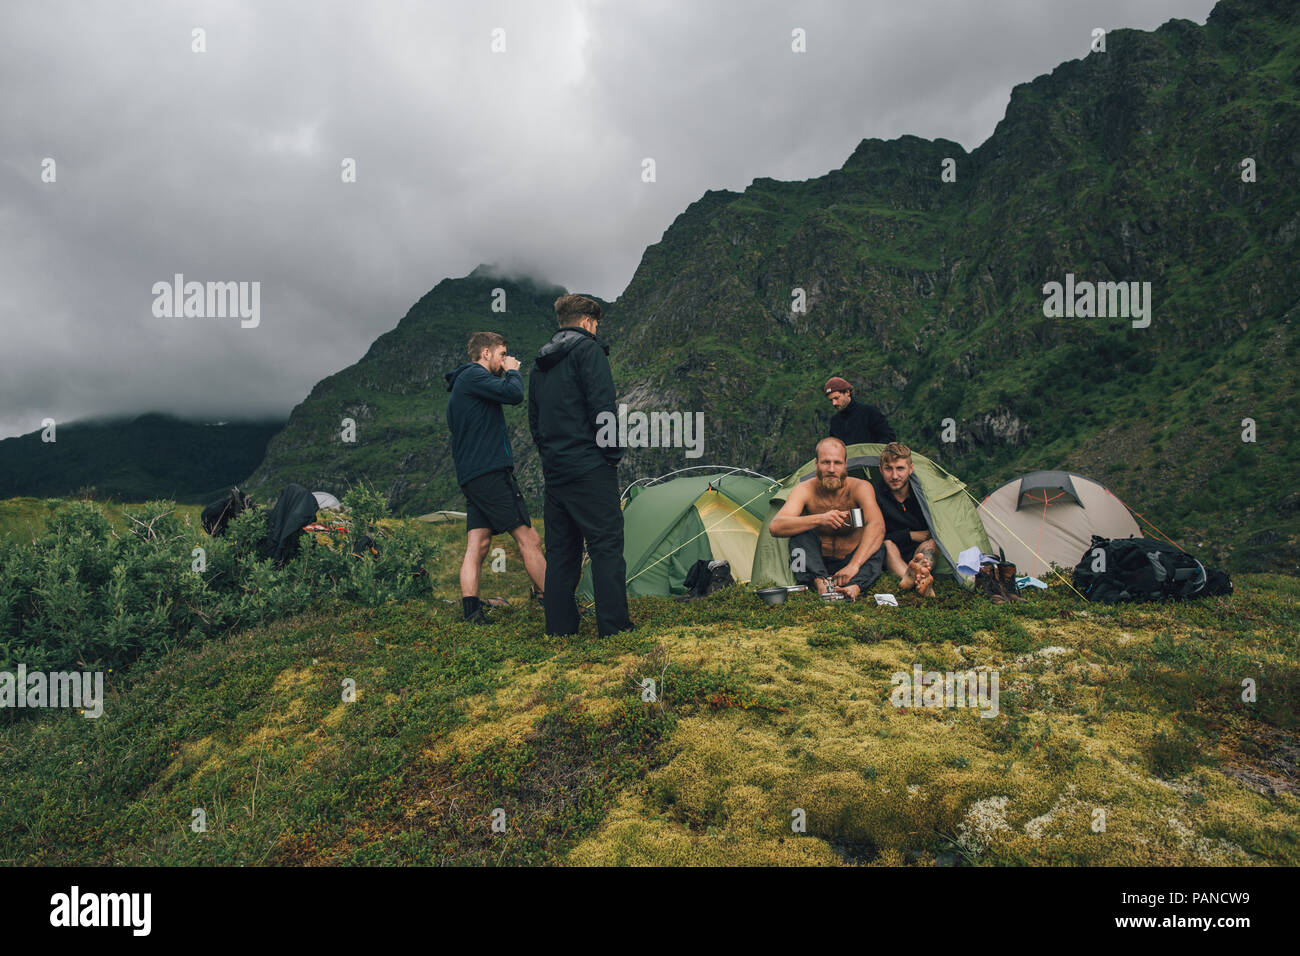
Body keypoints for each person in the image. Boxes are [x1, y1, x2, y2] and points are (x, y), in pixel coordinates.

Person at [528, 294, 633, 637]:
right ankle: (614, 628)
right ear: (588, 322)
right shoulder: (589, 352)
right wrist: (611, 456)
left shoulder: (540, 362)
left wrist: (551, 459)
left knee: (561, 553)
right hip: (589, 467)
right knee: (606, 546)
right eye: (596, 323)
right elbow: (603, 410)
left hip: (556, 471)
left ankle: (559, 629)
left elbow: (534, 421)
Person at [445, 331, 547, 624]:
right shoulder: (474, 377)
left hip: (472, 476)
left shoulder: (465, 384)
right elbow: (514, 395)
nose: (505, 359)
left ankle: (471, 613)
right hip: (490, 474)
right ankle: (554, 602)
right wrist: (513, 372)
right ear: (486, 353)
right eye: (502, 353)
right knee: (530, 539)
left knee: (478, 544)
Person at [768, 437, 887, 601]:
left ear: (845, 464)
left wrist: (854, 566)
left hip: (851, 563)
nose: (831, 469)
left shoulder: (860, 488)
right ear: (816, 464)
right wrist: (820, 519)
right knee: (799, 536)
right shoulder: (804, 489)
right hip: (816, 564)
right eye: (826, 462)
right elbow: (776, 526)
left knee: (878, 546)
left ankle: (854, 587)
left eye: (837, 463)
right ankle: (821, 582)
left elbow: (877, 525)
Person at [873, 441, 937, 597]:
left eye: (900, 468)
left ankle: (919, 574)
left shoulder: (922, 494)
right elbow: (873, 536)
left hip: (917, 550)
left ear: (910, 469)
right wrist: (909, 535)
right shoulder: (874, 495)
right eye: (889, 469)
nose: (894, 476)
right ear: (881, 470)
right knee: (887, 545)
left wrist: (920, 538)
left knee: (932, 544)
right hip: (889, 552)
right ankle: (911, 577)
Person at [824, 375, 896, 446]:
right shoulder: (835, 421)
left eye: (836, 398)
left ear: (847, 392)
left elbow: (889, 438)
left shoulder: (869, 412)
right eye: (831, 400)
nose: (834, 403)